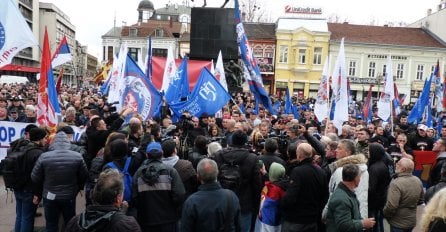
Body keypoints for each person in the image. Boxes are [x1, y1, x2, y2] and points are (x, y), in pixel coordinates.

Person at [31, 131, 88, 232]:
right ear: (67, 142)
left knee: (51, 223)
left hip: (49, 195)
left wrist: (45, 183)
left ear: (54, 142)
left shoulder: (44, 156)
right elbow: (84, 175)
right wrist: (78, 187)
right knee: (70, 222)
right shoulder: (77, 156)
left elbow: (35, 176)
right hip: (69, 195)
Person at [213, 130, 262, 232]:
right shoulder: (252, 157)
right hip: (244, 203)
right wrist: (256, 205)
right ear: (245, 141)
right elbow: (257, 184)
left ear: (232, 139)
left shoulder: (218, 155)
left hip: (222, 201)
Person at [132, 142, 185, 231]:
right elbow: (180, 194)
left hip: (146, 220)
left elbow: (135, 198)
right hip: (168, 220)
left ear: (147, 155)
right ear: (162, 154)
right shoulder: (170, 171)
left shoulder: (138, 173)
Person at [65, 169, 141, 232]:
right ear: (118, 198)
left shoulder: (75, 222)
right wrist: (121, 214)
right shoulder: (127, 225)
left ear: (94, 194)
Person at [180, 159, 241, 232]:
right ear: (217, 173)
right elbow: (238, 225)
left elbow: (186, 228)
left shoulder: (191, 202)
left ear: (198, 177)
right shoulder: (231, 197)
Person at [280, 143, 328, 232]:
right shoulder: (321, 172)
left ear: (298, 155)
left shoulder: (297, 171)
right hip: (312, 219)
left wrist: (282, 204)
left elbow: (290, 197)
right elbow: (325, 196)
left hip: (296, 219)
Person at [13, 128, 47, 232]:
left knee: (20, 215)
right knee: (27, 217)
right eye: (45, 138)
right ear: (39, 138)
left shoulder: (21, 148)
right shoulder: (38, 153)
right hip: (29, 189)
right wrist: (37, 193)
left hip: (18, 186)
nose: (46, 140)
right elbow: (37, 176)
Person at [326, 164, 376, 232]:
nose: (360, 179)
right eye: (359, 177)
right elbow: (343, 225)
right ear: (355, 178)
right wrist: (363, 224)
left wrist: (363, 222)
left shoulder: (347, 193)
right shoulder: (341, 199)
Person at [383, 158, 424, 232]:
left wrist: (385, 214)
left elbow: (391, 206)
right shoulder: (418, 180)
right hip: (411, 221)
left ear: (403, 169)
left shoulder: (396, 183)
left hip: (398, 223)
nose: (396, 165)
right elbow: (421, 200)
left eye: (398, 164)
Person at [367, 143, 391, 232]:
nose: (368, 152)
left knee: (374, 224)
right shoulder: (382, 164)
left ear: (374, 152)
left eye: (369, 151)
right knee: (379, 222)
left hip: (374, 202)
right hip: (380, 200)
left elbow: (371, 188)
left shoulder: (374, 168)